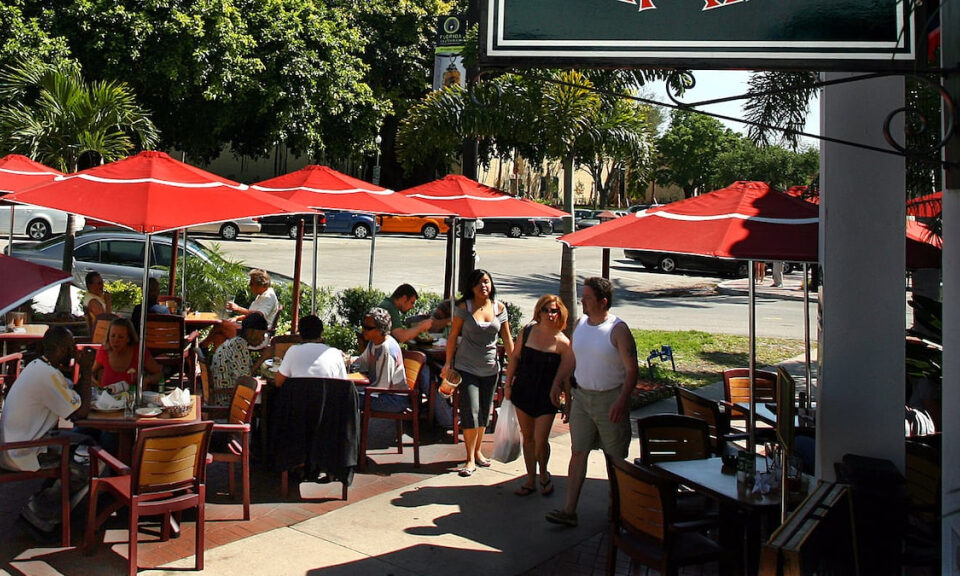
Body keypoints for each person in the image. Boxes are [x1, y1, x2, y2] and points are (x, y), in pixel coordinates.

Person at [546, 276, 638, 527]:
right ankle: (569, 510)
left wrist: (622, 400)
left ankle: (617, 508)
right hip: (583, 398)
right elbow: (571, 358)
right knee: (578, 452)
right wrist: (557, 381)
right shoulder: (581, 323)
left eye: (587, 298)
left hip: (610, 399)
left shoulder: (618, 330)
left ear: (603, 301)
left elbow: (632, 370)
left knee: (615, 458)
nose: (582, 301)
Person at [0, 327, 92, 532]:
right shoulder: (47, 376)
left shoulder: (39, 367)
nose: (74, 350)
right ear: (61, 348)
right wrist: (86, 370)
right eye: (71, 347)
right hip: (22, 451)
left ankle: (44, 501)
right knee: (91, 461)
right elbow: (81, 412)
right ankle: (43, 512)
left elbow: (72, 396)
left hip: (16, 443)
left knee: (86, 441)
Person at [443, 269, 513, 477]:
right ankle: (470, 458)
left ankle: (478, 451)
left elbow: (507, 339)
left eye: (486, 282)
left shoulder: (499, 308)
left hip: (490, 368)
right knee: (470, 411)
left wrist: (514, 364)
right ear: (471, 288)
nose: (483, 286)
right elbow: (453, 336)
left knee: (484, 412)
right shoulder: (465, 307)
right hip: (467, 368)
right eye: (479, 283)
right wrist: (448, 363)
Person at [504, 294, 574, 497]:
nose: (550, 315)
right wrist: (508, 384)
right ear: (539, 312)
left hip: (547, 397)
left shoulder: (563, 343)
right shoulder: (527, 332)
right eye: (546, 310)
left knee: (541, 439)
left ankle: (543, 474)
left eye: (554, 311)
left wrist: (568, 403)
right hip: (523, 391)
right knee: (528, 438)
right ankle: (530, 479)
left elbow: (567, 378)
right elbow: (515, 358)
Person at [203, 269, 278, 352]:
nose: (249, 285)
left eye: (252, 283)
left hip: (256, 336)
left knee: (221, 324)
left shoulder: (268, 297)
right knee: (219, 337)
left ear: (261, 284)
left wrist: (237, 308)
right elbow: (251, 316)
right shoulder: (262, 295)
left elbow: (258, 316)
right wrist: (237, 318)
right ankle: (216, 361)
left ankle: (203, 347)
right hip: (251, 331)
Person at [209, 313, 271, 406]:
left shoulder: (236, 343)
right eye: (262, 334)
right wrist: (262, 359)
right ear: (250, 332)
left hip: (224, 393)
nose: (262, 339)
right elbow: (244, 381)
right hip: (227, 399)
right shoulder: (239, 347)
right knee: (269, 399)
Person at [356, 307, 408, 412]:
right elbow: (361, 363)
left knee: (349, 398)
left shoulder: (387, 349)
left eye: (368, 328)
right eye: (363, 326)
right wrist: (345, 359)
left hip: (393, 399)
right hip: (381, 393)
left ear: (381, 330)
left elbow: (382, 386)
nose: (363, 330)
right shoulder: (373, 342)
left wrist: (358, 392)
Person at [92, 318, 163, 393]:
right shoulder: (104, 350)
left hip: (131, 400)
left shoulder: (138, 351)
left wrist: (148, 380)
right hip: (106, 400)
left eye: (121, 337)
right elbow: (91, 372)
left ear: (128, 338)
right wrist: (95, 384)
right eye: (112, 336)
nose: (116, 340)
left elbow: (159, 373)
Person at [275, 315, 347, 386]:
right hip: (327, 397)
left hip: (299, 397)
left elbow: (278, 382)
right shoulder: (334, 353)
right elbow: (344, 384)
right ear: (321, 333)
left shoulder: (293, 351)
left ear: (300, 334)